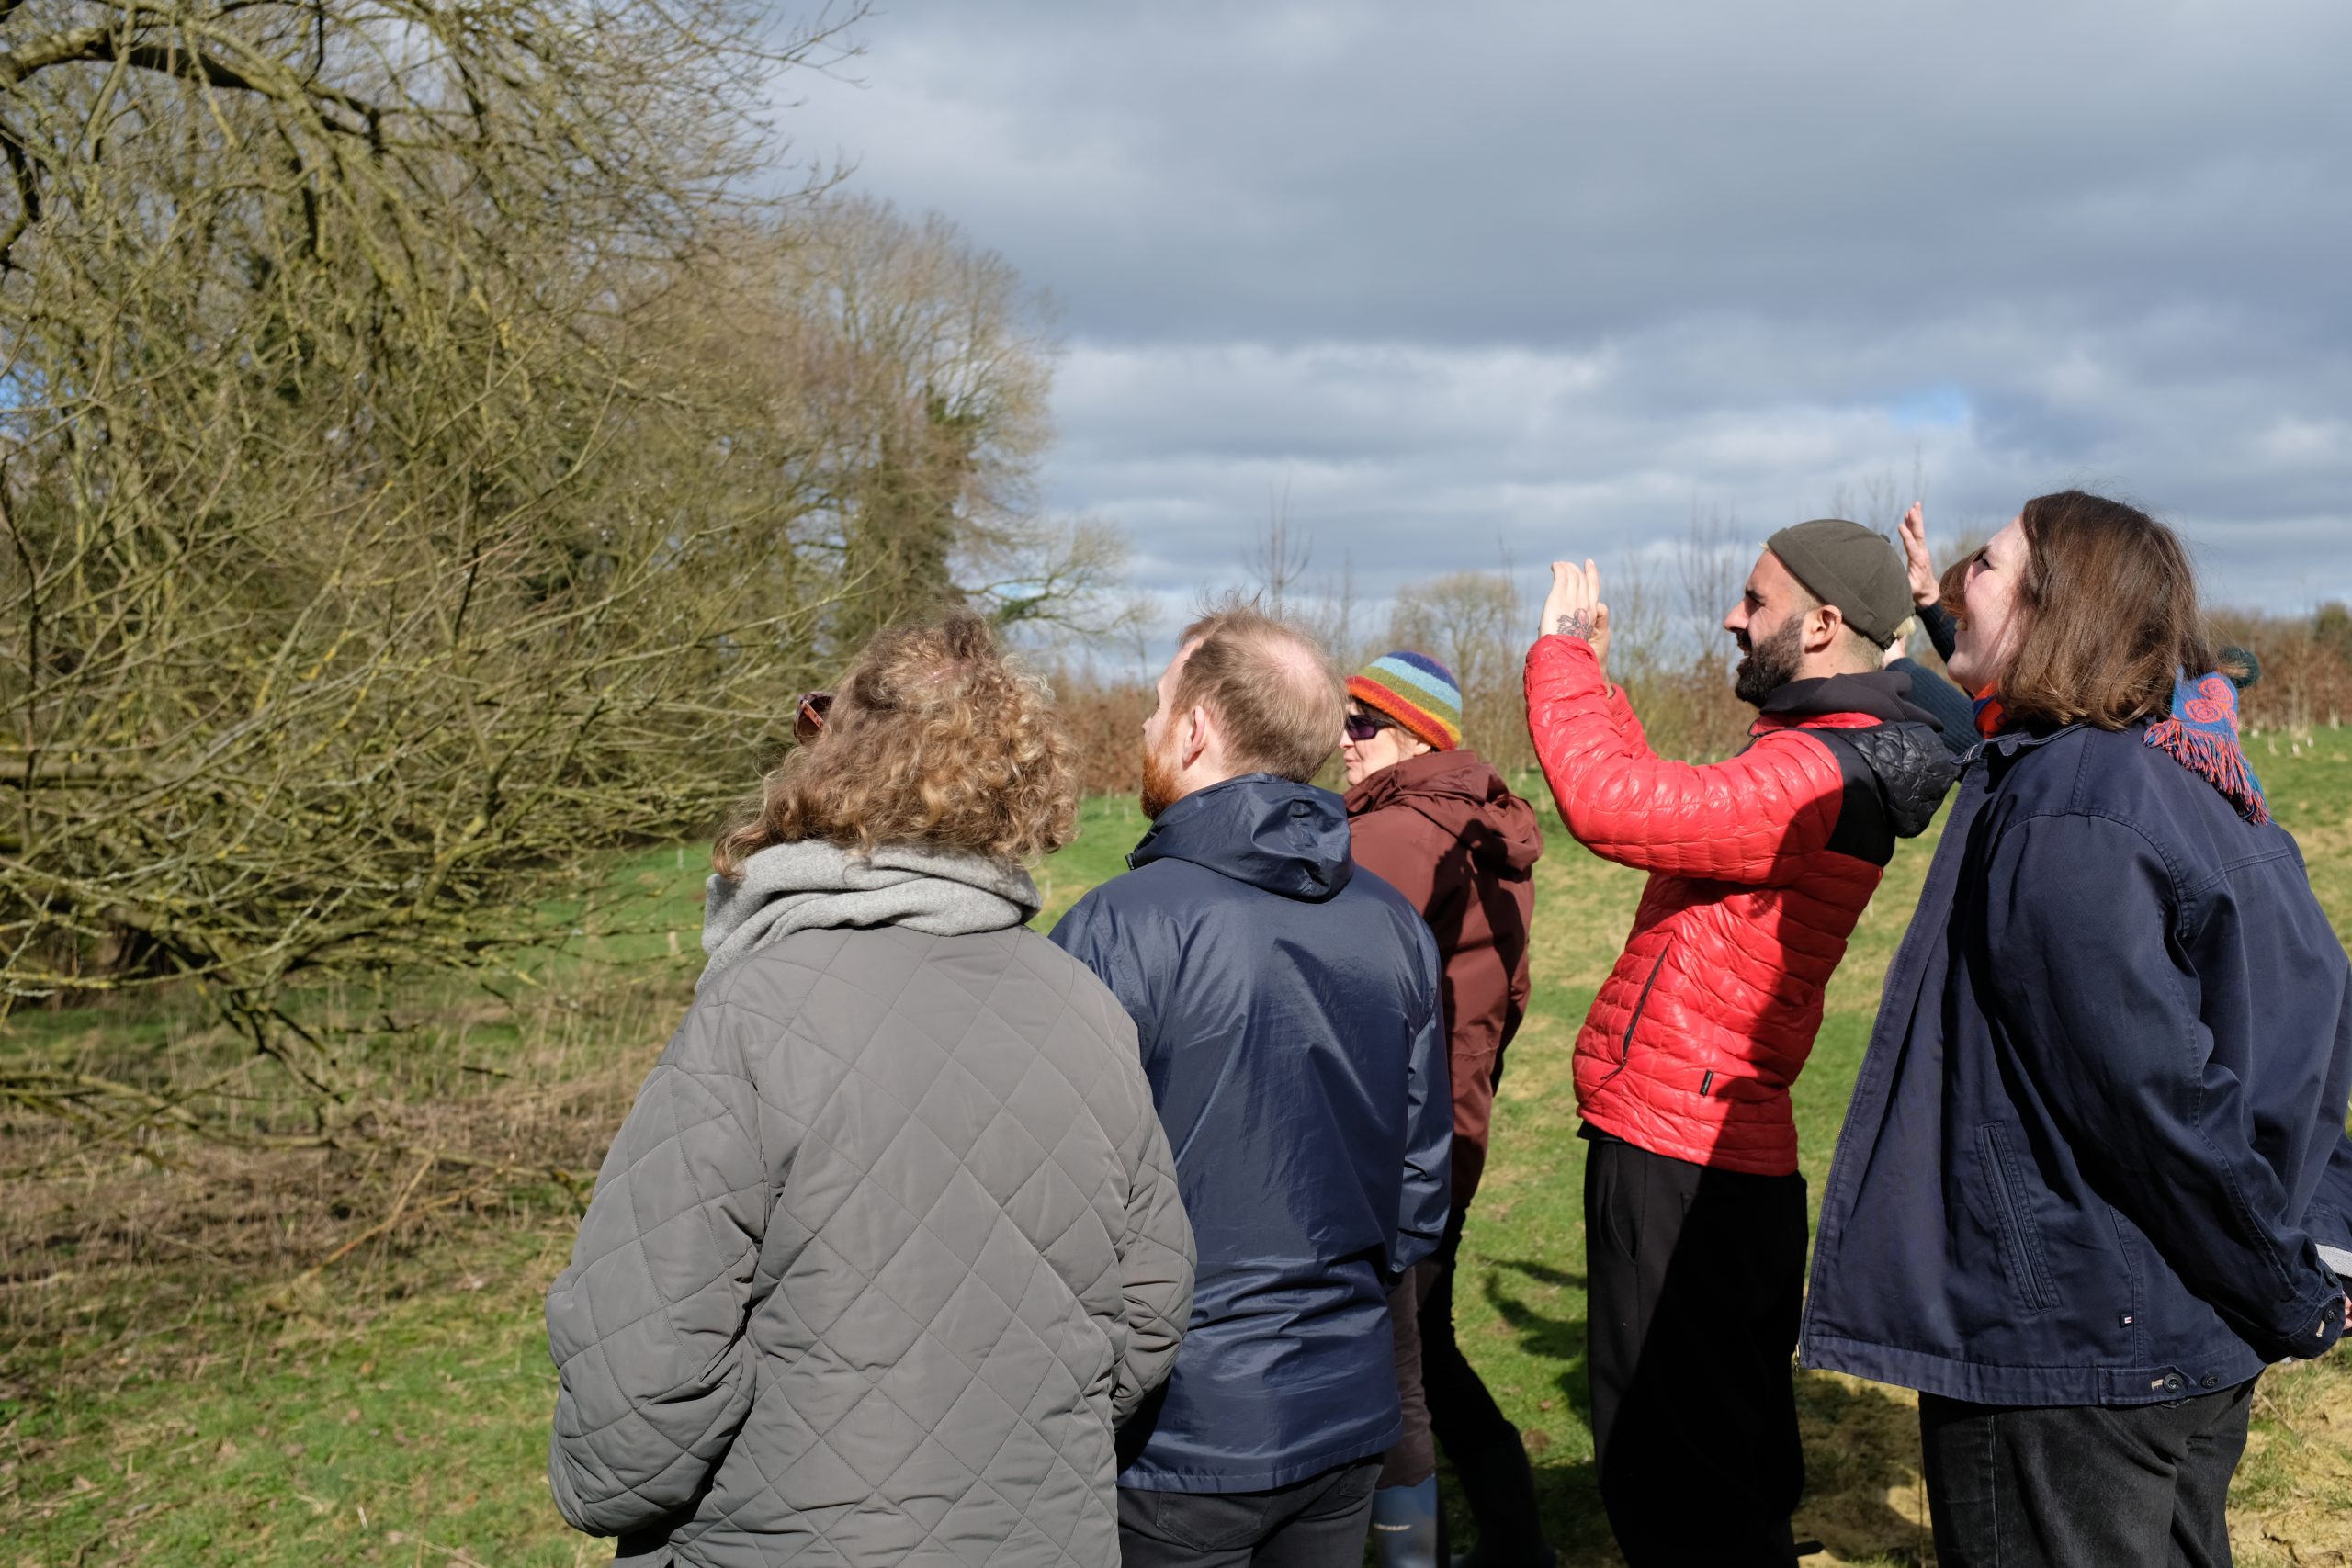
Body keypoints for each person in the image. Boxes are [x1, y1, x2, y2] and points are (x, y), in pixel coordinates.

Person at [546, 612, 1197, 1568]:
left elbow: (641, 1372)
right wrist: (1027, 1437)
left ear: (834, 761)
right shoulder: (1086, 1008)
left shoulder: (753, 1013)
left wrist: (613, 1489)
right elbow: (1149, 1307)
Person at [1799, 491, 2352, 1567]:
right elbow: (2294, 1031)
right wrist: (2286, 1257)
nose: (1958, 583)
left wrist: (2290, 1286)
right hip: (2175, 1331)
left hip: (2071, 1346)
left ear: (2060, 610)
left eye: (1986, 566)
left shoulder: (2068, 807)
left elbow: (2154, 1102)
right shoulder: (2176, 773)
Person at [1526, 523, 1958, 1566]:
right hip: (1717, 1145)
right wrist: (1605, 690)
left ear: (1821, 625)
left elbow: (1612, 802)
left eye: (1755, 601)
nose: (1731, 616)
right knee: (1725, 1462)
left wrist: (1561, 659)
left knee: (1676, 1483)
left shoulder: (1815, 773)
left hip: (1680, 1149)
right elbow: (1670, 804)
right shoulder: (1830, 753)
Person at [1051, 601, 1453, 1568]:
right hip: (1342, 1409)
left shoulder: (1115, 928)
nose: (1145, 724)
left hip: (1175, 1435)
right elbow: (1420, 1188)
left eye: (1158, 705)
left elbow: (1051, 1199)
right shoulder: (1393, 922)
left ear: (1196, 729)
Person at [1339, 652, 1546, 1568]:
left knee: (1395, 1370)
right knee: (1425, 1345)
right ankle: (1515, 1542)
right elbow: (1511, 994)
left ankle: (1414, 1553)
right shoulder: (1482, 825)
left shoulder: (1396, 833)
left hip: (1395, 1140)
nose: (1342, 738)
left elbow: (1335, 990)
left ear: (1414, 737)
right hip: (1453, 1123)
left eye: (1361, 722)